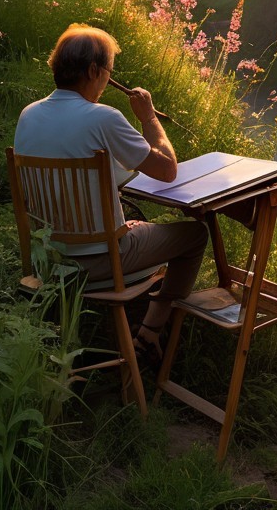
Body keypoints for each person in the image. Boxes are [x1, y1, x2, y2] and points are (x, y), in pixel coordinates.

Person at [14, 23, 208, 366]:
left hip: (50, 259)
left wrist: (117, 226)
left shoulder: (28, 115)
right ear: (93, 70)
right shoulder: (104, 118)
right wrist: (149, 118)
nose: (107, 80)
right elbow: (167, 170)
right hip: (100, 262)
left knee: (133, 224)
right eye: (107, 72)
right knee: (195, 234)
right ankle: (149, 333)